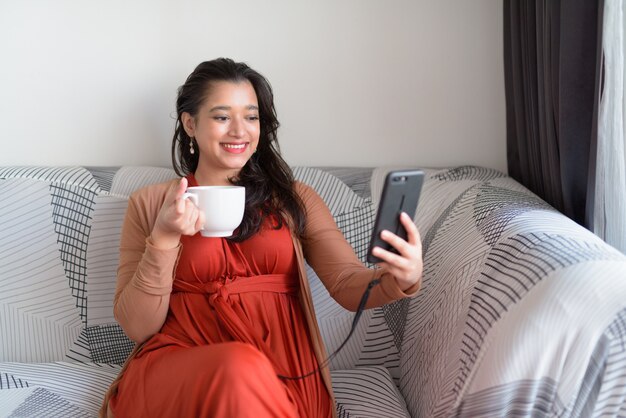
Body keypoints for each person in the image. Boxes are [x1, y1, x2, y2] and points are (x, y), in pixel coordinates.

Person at [100, 58, 423, 418]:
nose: (240, 131)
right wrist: (163, 238)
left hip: (284, 373)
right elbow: (138, 326)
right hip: (180, 368)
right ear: (189, 124)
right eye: (222, 117)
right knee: (236, 367)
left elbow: (347, 284)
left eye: (251, 117)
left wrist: (400, 277)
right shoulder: (149, 204)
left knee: (243, 372)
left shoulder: (294, 199)